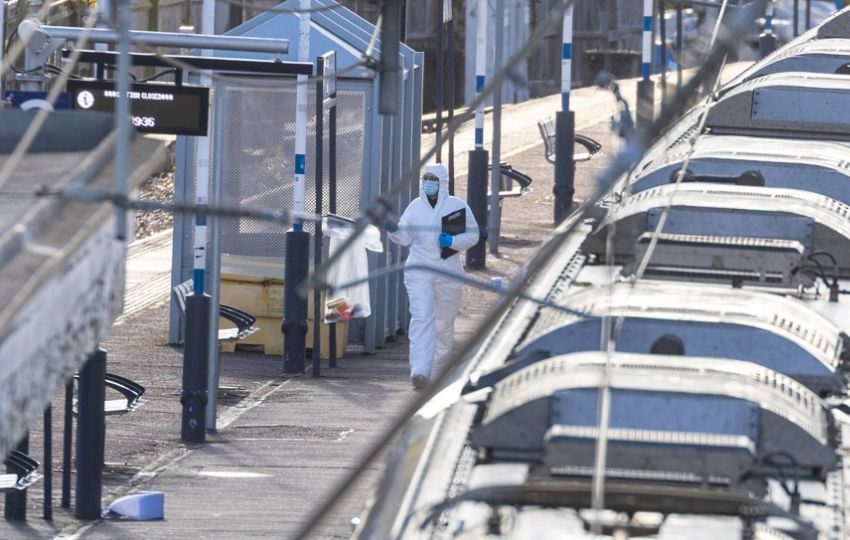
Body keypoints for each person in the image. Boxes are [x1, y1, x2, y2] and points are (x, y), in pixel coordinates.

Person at [387, 163, 480, 390]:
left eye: (433, 180)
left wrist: (453, 242)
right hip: (419, 269)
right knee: (422, 318)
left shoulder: (457, 206)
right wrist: (393, 230)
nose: (429, 183)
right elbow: (405, 238)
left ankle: (438, 371)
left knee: (444, 323)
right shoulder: (415, 207)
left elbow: (473, 235)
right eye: (425, 179)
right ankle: (420, 370)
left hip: (448, 271)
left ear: (443, 183)